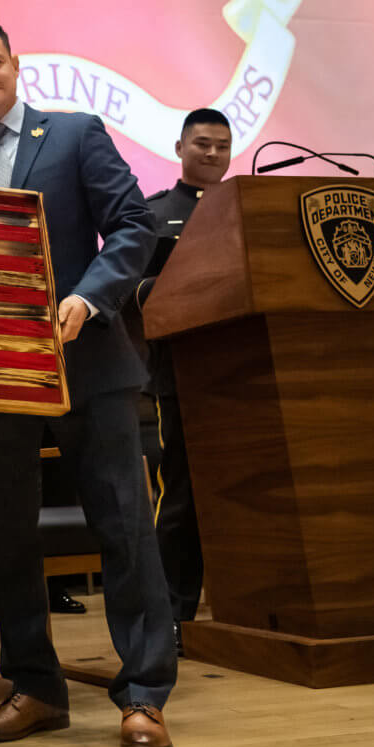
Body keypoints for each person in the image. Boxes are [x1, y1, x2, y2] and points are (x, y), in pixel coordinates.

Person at [0, 18, 177, 747]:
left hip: (90, 362)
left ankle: (145, 695)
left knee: (124, 527)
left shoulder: (75, 135)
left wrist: (90, 297)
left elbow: (131, 225)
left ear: (16, 65)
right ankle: (35, 688)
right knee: (8, 537)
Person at [133, 108, 233, 655]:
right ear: (179, 147)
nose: (213, 154)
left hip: (247, 377)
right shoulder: (153, 215)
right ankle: (170, 613)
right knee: (182, 498)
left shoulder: (244, 212)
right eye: (202, 144)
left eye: (222, 145)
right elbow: (135, 292)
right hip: (181, 374)